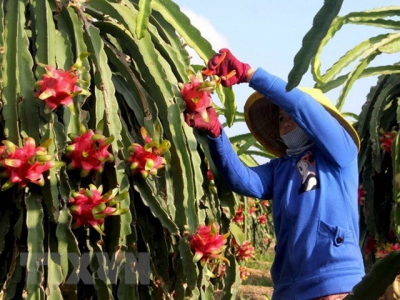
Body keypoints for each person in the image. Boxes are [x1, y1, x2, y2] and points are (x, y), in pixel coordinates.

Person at [183, 48, 365, 300]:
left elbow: (302, 106)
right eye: (281, 119)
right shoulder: (280, 169)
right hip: (288, 287)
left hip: (334, 281)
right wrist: (215, 133)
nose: (286, 123)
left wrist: (250, 74)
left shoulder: (340, 154)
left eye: (292, 117)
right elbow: (241, 179)